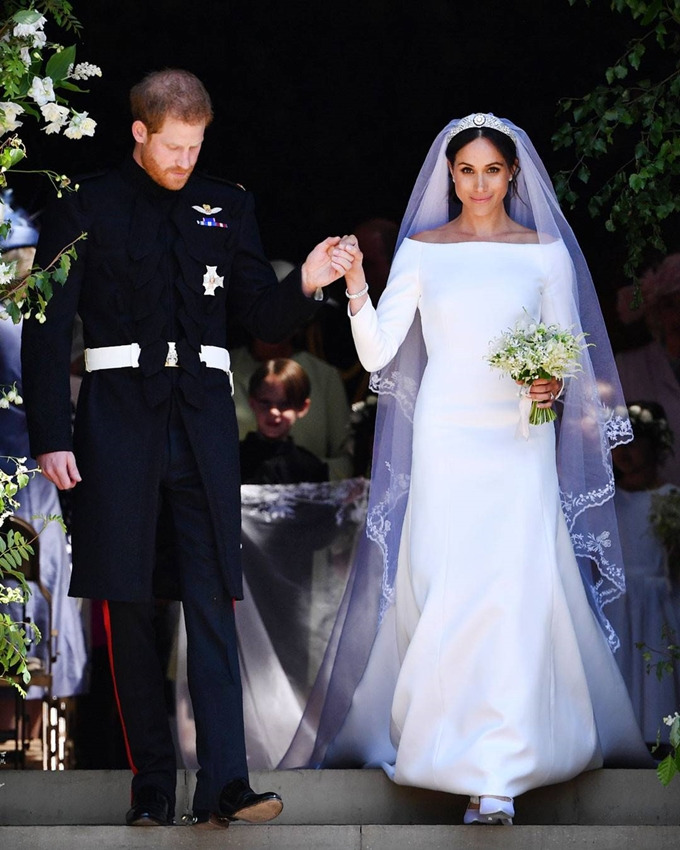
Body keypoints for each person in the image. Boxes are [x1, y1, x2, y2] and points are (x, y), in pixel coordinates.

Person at [287, 113, 652, 824]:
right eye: (466, 171)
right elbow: (377, 354)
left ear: (511, 175)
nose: (479, 184)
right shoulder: (423, 251)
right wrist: (358, 284)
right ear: (449, 176)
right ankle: (449, 745)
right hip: (447, 435)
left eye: (491, 170)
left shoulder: (544, 252)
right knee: (446, 581)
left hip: (519, 439)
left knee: (512, 589)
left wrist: (551, 385)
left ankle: (498, 774)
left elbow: (568, 351)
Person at [20, 69, 355, 827]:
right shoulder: (85, 203)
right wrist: (51, 436)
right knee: (130, 603)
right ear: (139, 133)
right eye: (173, 146)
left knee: (212, 598)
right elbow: (47, 327)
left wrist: (306, 280)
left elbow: (261, 314)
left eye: (196, 145)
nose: (184, 160)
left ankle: (226, 784)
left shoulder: (228, 204)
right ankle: (150, 788)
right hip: (114, 427)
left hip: (202, 427)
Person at [609, 401, 680, 746]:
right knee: (620, 664)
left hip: (656, 602)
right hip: (617, 602)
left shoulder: (670, 498)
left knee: (655, 662)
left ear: (655, 446)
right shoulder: (608, 501)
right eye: (618, 442)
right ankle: (621, 734)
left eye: (634, 442)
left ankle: (658, 732)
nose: (624, 451)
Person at [615, 255, 680, 486]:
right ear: (655, 313)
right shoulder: (627, 368)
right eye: (670, 305)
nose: (677, 315)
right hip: (653, 499)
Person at [240, 358, 329, 484]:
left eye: (284, 404)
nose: (273, 412)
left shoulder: (311, 468)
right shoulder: (232, 459)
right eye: (265, 402)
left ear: (303, 407)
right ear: (252, 403)